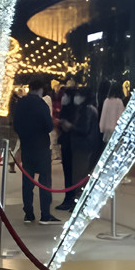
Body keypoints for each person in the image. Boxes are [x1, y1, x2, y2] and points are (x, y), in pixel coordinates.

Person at [13, 78, 60, 224]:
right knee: (44, 180)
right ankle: (45, 214)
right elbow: (48, 126)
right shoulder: (41, 104)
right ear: (40, 89)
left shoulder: (20, 104)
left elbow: (15, 124)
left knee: (27, 180)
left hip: (27, 145)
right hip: (41, 146)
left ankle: (28, 213)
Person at [60, 86, 101, 208]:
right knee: (78, 175)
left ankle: (79, 203)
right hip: (81, 145)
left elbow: (84, 129)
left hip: (82, 146)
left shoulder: (87, 110)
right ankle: (76, 202)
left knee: (79, 176)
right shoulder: (86, 109)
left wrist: (70, 126)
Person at [54, 83, 77, 211]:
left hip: (71, 145)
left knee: (71, 174)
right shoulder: (68, 108)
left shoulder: (76, 110)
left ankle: (71, 199)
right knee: (68, 173)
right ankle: (68, 198)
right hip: (66, 143)